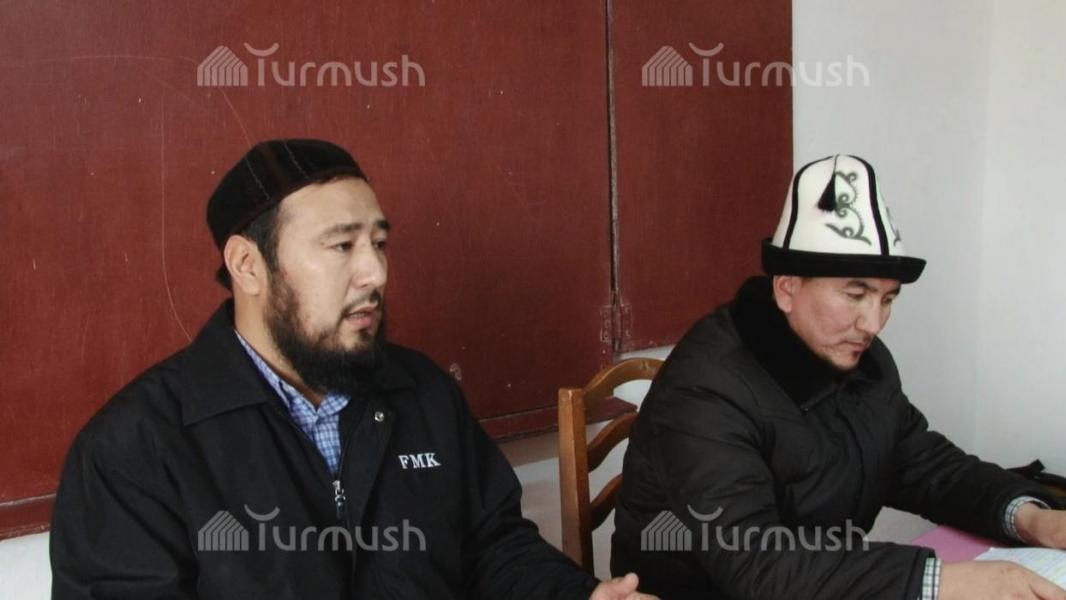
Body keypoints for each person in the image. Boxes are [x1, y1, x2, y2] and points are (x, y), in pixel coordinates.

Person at [50, 139, 654, 599]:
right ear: (248, 266)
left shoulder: (422, 391)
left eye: (379, 243)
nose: (376, 274)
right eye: (342, 246)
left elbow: (492, 548)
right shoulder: (134, 449)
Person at [611, 155, 1066, 599]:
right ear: (787, 287)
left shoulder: (861, 359)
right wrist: (941, 582)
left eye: (887, 299)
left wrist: (1029, 518)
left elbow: (924, 465)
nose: (874, 323)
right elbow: (758, 564)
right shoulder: (705, 390)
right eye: (855, 294)